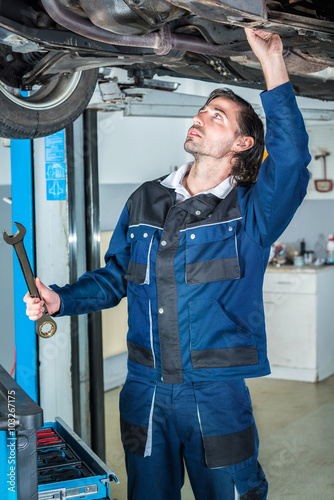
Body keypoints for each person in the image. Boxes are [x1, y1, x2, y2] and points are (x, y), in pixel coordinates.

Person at [25, 28, 310, 499]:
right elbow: (116, 274)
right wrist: (61, 299)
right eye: (202, 110)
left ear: (241, 145)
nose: (201, 117)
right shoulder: (146, 199)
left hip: (215, 394)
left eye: (217, 116)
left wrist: (274, 63)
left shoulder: (251, 213)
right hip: (145, 390)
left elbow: (293, 155)